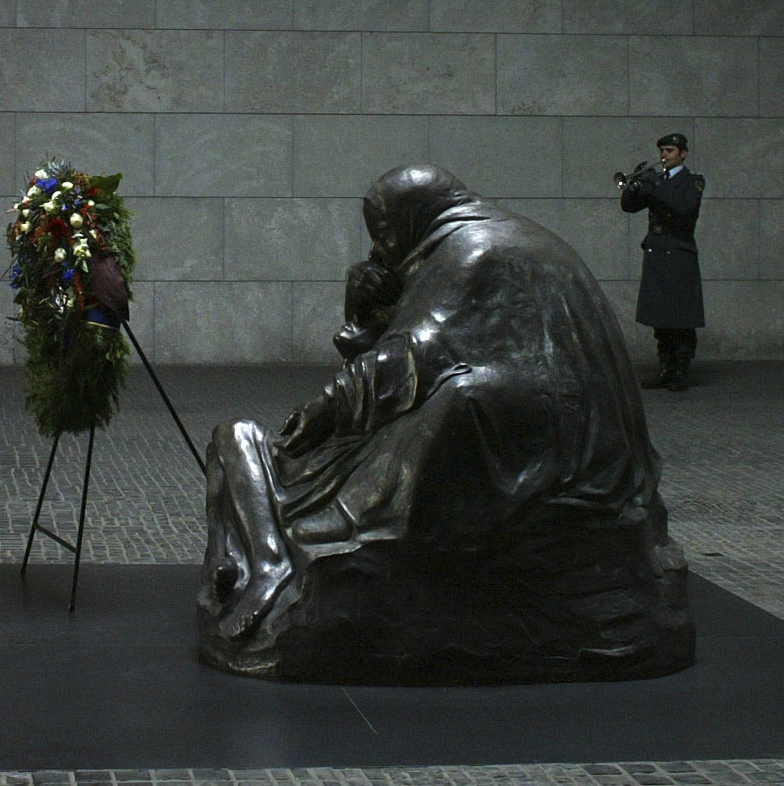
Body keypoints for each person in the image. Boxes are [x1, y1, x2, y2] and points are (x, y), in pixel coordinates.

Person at [198, 166, 692, 684]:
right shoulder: (508, 237)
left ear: (413, 220)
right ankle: (275, 555)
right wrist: (368, 308)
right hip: (569, 440)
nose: (382, 249)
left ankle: (288, 553)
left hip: (535, 445)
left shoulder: (471, 251)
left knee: (438, 407)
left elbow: (413, 356)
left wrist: (325, 409)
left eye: (385, 235)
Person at [617, 132, 705, 392]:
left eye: (669, 151)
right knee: (660, 316)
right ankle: (665, 368)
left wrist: (656, 185)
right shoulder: (659, 181)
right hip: (657, 254)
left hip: (679, 255)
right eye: (662, 151)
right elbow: (629, 207)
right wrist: (633, 187)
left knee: (680, 317)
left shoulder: (693, 181)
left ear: (683, 154)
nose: (664, 156)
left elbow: (684, 208)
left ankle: (681, 370)